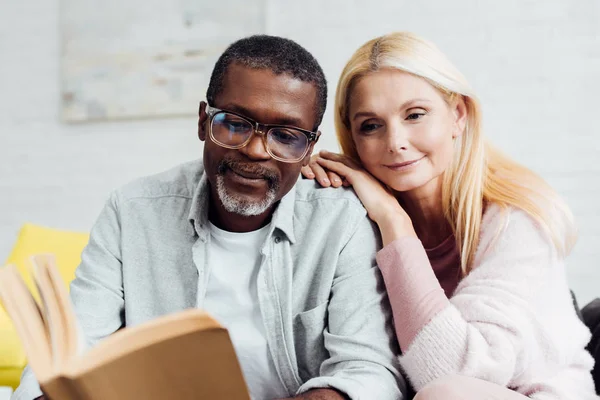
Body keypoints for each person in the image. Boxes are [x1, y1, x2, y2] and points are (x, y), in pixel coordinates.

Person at [13, 35, 405, 400]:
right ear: (203, 121)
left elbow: (368, 368)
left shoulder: (340, 221)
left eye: (285, 136)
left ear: (309, 148)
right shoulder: (132, 210)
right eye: (234, 124)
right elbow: (72, 345)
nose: (255, 151)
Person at [301, 31, 597, 399]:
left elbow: (451, 374)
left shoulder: (516, 220)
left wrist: (394, 220)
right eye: (371, 126)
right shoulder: (360, 221)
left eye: (414, 115)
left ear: (458, 115)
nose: (395, 141)